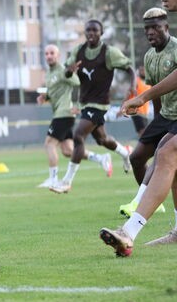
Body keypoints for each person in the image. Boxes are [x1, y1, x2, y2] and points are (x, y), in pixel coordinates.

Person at [103, 0, 177, 255]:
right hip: (168, 117)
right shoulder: (149, 56)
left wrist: (142, 97)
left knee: (167, 153)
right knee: (167, 154)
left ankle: (128, 232)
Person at [49, 19, 135, 194]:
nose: (91, 33)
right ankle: (126, 153)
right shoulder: (78, 51)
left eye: (95, 30)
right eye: (88, 30)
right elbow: (67, 72)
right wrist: (69, 71)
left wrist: (132, 87)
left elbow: (129, 68)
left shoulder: (109, 52)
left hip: (99, 104)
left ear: (101, 33)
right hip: (85, 103)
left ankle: (66, 182)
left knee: (78, 135)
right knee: (102, 140)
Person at [116, 8, 177, 219]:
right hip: (165, 117)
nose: (151, 32)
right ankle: (154, 203)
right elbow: (156, 92)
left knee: (161, 154)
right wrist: (158, 121)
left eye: (156, 27)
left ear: (166, 27)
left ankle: (139, 202)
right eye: (147, 29)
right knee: (136, 158)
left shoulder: (176, 49)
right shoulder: (149, 57)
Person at [35, 44, 78, 189]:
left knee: (49, 144)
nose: (49, 56)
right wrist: (45, 97)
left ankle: (53, 179)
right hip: (60, 113)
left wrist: (69, 73)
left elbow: (77, 82)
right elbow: (53, 93)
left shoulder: (63, 70)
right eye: (46, 53)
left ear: (58, 55)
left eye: (52, 53)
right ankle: (100, 158)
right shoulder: (48, 74)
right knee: (68, 151)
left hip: (64, 113)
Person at [128, 67, 152, 137]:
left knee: (144, 133)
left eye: (144, 70)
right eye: (141, 70)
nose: (143, 72)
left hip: (145, 113)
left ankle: (142, 143)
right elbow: (128, 93)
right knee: (143, 132)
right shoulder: (136, 81)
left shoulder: (148, 83)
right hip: (136, 111)